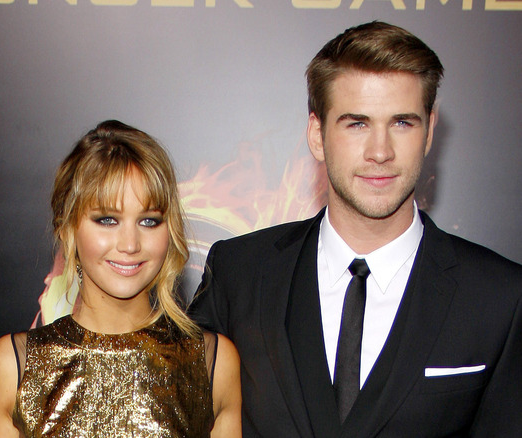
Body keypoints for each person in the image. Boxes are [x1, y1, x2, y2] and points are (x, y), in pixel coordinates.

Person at [189, 21, 522, 437]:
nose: (380, 152)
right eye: (357, 123)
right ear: (316, 134)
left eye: (402, 123)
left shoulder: (500, 298)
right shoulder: (238, 273)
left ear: (430, 131)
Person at [0, 120, 242, 437]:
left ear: (169, 231)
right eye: (107, 220)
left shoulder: (212, 363)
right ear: (68, 229)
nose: (130, 244)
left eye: (149, 220)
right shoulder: (14, 365)